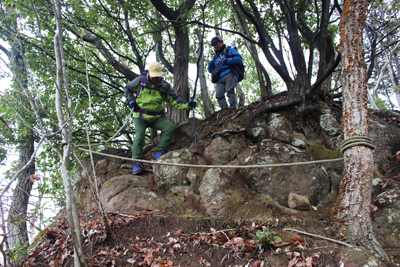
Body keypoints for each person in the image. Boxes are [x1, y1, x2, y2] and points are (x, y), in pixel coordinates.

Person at [125, 62, 196, 174]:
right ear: (148, 73)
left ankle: (160, 152)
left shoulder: (164, 86)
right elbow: (127, 89)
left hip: (156, 117)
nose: (155, 79)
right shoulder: (140, 81)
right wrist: (131, 102)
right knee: (139, 137)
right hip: (140, 116)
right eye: (154, 77)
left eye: (158, 77)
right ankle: (137, 162)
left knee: (170, 127)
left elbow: (175, 100)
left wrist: (188, 105)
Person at [208, 36, 243, 109]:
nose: (216, 46)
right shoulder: (215, 57)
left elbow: (239, 59)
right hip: (219, 77)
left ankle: (233, 108)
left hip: (230, 73)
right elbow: (210, 70)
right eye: (214, 45)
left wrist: (228, 60)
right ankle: (225, 111)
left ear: (221, 42)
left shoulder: (230, 50)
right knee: (219, 94)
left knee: (229, 91)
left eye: (217, 43)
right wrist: (210, 65)